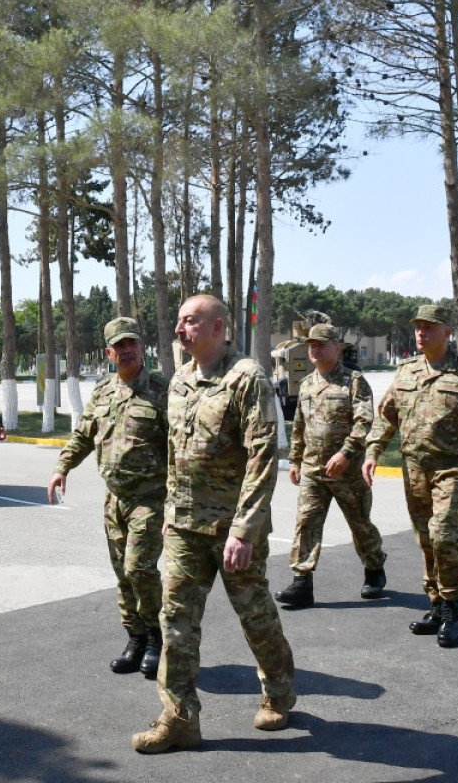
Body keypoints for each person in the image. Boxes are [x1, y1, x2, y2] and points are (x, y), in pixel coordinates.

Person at [132, 294, 295, 755]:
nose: (180, 330)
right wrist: (169, 513)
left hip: (232, 529)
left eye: (190, 322)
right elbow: (174, 454)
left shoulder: (248, 378)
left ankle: (279, 692)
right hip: (185, 527)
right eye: (179, 322)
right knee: (176, 622)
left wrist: (244, 529)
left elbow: (264, 458)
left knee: (255, 614)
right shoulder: (181, 380)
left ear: (218, 327)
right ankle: (179, 718)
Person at [362, 304, 458, 648]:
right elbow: (386, 416)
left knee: (442, 534)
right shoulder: (407, 371)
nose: (421, 333)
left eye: (429, 327)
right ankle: (437, 604)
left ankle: (453, 605)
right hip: (414, 469)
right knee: (426, 540)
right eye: (418, 327)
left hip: (452, 467)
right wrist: (372, 452)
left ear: (447, 332)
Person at [48, 317, 168, 677]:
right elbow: (84, 435)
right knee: (122, 573)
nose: (128, 350)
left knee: (139, 568)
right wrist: (61, 467)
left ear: (142, 348)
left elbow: (181, 449)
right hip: (114, 498)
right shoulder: (102, 392)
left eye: (133, 343)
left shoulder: (163, 391)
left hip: (150, 497)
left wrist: (176, 501)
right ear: (109, 353)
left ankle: (157, 639)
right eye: (120, 345)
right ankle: (135, 638)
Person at [276, 323, 387, 608]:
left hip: (347, 472)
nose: (315, 349)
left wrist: (347, 454)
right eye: (311, 344)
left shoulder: (353, 381)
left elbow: (364, 422)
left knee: (360, 525)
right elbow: (299, 426)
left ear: (336, 348)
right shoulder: (307, 384)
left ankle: (374, 569)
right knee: (306, 523)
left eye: (321, 344)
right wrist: (295, 460)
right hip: (313, 470)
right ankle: (302, 582)